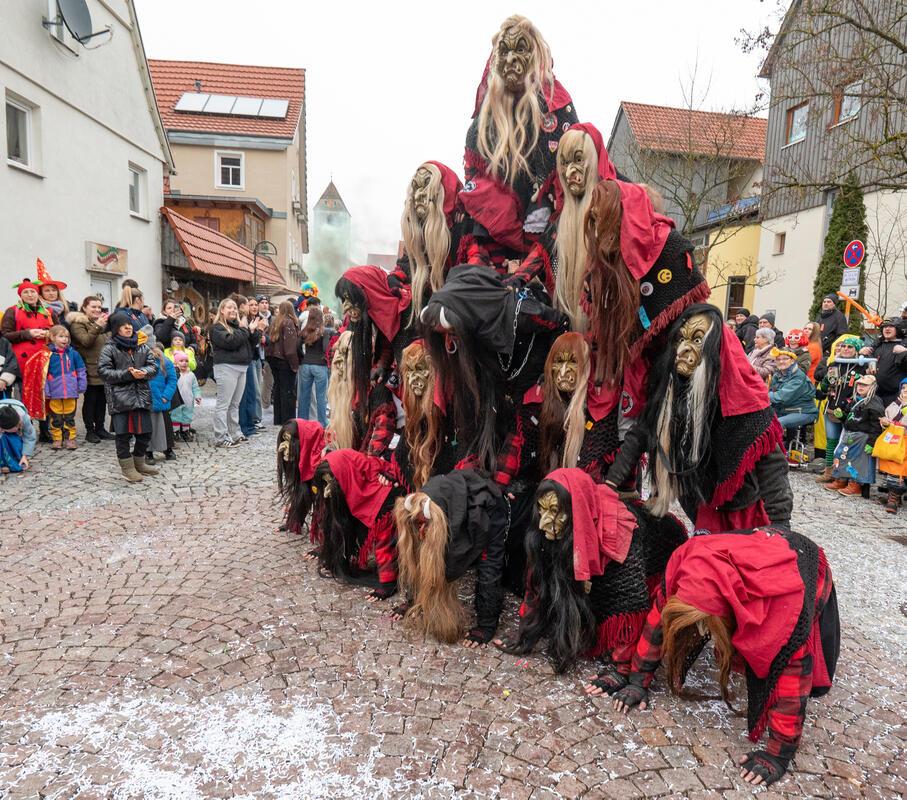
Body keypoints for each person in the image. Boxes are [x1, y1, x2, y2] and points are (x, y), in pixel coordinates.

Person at [612, 528, 838, 788]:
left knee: (782, 652)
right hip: (753, 551)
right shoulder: (684, 565)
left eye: (706, 626)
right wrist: (637, 680)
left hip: (799, 564)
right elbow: (658, 622)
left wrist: (779, 753)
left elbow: (792, 676)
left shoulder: (783, 607)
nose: (700, 634)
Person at [606, 304, 793, 532]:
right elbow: (639, 435)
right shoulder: (670, 394)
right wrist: (611, 483)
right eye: (681, 339)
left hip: (743, 511)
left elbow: (772, 465)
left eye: (697, 341)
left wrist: (780, 524)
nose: (683, 349)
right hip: (703, 504)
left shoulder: (746, 404)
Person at [496, 470, 686, 684]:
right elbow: (539, 583)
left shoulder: (620, 540)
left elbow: (631, 608)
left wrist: (623, 670)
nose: (542, 523)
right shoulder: (548, 527)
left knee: (612, 595)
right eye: (541, 509)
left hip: (665, 547)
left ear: (577, 511)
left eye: (554, 511)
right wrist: (527, 631)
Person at [462, 16, 578, 259]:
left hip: (550, 227)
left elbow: (574, 172)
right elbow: (474, 177)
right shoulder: (484, 123)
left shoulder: (554, 107)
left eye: (521, 49)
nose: (512, 59)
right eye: (504, 51)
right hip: (497, 229)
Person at [395, 469, 509, 646]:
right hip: (450, 517)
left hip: (487, 519)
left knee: (488, 564)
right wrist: (412, 601)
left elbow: (490, 569)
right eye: (418, 524)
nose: (420, 532)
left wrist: (486, 626)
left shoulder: (484, 517)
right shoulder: (424, 507)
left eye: (423, 525)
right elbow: (416, 558)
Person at [97, 311, 159, 482]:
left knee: (145, 433)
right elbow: (103, 372)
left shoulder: (142, 347)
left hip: (141, 396)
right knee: (123, 435)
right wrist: (127, 374)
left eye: (130, 325)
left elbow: (154, 366)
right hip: (120, 398)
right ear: (116, 328)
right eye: (124, 326)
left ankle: (139, 462)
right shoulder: (109, 348)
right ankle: (127, 468)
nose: (128, 328)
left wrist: (143, 372)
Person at [22, 325, 87, 450]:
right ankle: (57, 438)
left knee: (69, 417)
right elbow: (43, 375)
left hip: (70, 392)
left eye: (67, 337)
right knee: (56, 418)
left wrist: (81, 384)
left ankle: (70, 438)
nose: (65, 339)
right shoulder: (48, 355)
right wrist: (46, 390)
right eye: (61, 336)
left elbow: (81, 370)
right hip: (54, 392)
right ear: (52, 337)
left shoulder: (74, 354)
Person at [814, 335, 869, 483]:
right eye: (843, 346)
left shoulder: (862, 366)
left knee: (846, 444)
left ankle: (843, 475)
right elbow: (825, 387)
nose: (845, 349)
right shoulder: (834, 364)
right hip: (832, 408)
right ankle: (829, 472)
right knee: (832, 442)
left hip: (851, 412)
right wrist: (826, 377)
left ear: (856, 350)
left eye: (850, 347)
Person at [210, 297, 262, 448]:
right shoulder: (217, 328)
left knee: (235, 404)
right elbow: (231, 342)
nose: (232, 310)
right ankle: (220, 436)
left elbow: (250, 344)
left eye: (234, 308)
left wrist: (254, 331)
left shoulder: (239, 327)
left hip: (241, 368)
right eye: (229, 308)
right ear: (222, 310)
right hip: (226, 367)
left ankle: (234, 432)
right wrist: (245, 330)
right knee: (223, 404)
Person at [826, 373, 884, 496]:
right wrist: (842, 416)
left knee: (857, 461)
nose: (861, 387)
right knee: (841, 455)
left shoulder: (874, 404)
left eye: (865, 385)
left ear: (872, 387)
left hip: (863, 437)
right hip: (850, 435)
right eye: (859, 385)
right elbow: (849, 417)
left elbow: (876, 426)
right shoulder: (855, 400)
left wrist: (871, 443)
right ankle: (841, 479)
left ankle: (855, 484)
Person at [67, 296, 111, 443]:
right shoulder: (77, 323)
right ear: (84, 308)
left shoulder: (100, 322)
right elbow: (86, 341)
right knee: (91, 400)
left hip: (103, 366)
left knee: (102, 400)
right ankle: (90, 431)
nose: (97, 310)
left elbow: (106, 340)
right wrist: (98, 326)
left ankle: (100, 428)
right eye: (93, 307)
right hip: (88, 366)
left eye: (99, 307)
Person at [265, 300, 300, 427]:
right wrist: (294, 364)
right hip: (285, 360)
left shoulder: (275, 322)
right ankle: (288, 420)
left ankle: (278, 418)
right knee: (288, 391)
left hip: (274, 359)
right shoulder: (289, 322)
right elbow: (290, 348)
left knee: (278, 389)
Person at [146, 333, 178, 463]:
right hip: (146, 399)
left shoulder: (164, 361)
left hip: (161, 399)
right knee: (147, 427)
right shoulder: (139, 359)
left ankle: (168, 449)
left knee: (165, 427)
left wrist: (166, 396)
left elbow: (172, 380)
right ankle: (147, 452)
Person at [769, 348, 819, 432]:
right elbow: (771, 393)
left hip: (803, 411)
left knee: (778, 423)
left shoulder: (798, 377)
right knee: (760, 420)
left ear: (792, 361)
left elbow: (780, 397)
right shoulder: (777, 375)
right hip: (784, 410)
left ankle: (775, 444)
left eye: (785, 359)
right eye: (778, 359)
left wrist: (761, 395)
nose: (781, 361)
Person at [860, 318, 907, 405]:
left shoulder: (904, 344)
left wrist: (904, 352)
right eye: (884, 327)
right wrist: (862, 353)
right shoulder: (877, 345)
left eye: (891, 326)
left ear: (899, 329)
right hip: (874, 393)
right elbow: (863, 367)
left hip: (895, 395)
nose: (887, 329)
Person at [877, 378, 907, 513]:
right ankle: (893, 495)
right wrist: (885, 422)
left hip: (905, 442)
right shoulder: (894, 404)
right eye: (904, 388)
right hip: (893, 440)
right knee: (890, 468)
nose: (906, 391)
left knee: (899, 470)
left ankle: (894, 499)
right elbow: (888, 416)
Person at [170, 351, 201, 442]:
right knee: (175, 415)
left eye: (186, 361)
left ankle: (185, 431)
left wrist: (197, 396)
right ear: (176, 363)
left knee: (187, 416)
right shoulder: (174, 374)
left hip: (188, 400)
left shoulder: (191, 375)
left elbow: (195, 387)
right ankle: (175, 432)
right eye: (181, 361)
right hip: (177, 400)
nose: (184, 363)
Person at [0, 399, 35, 473]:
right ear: (3, 429)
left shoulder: (24, 418)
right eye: (16, 427)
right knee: (3, 439)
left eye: (18, 425)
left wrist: (24, 456)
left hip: (15, 436)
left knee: (13, 440)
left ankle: (16, 461)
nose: (18, 427)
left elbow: (30, 437)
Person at [256, 294, 273, 417]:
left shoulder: (273, 319)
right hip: (256, 353)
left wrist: (266, 339)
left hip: (269, 353)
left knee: (268, 382)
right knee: (257, 383)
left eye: (266, 303)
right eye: (262, 302)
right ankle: (260, 406)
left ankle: (265, 404)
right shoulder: (255, 318)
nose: (264, 305)